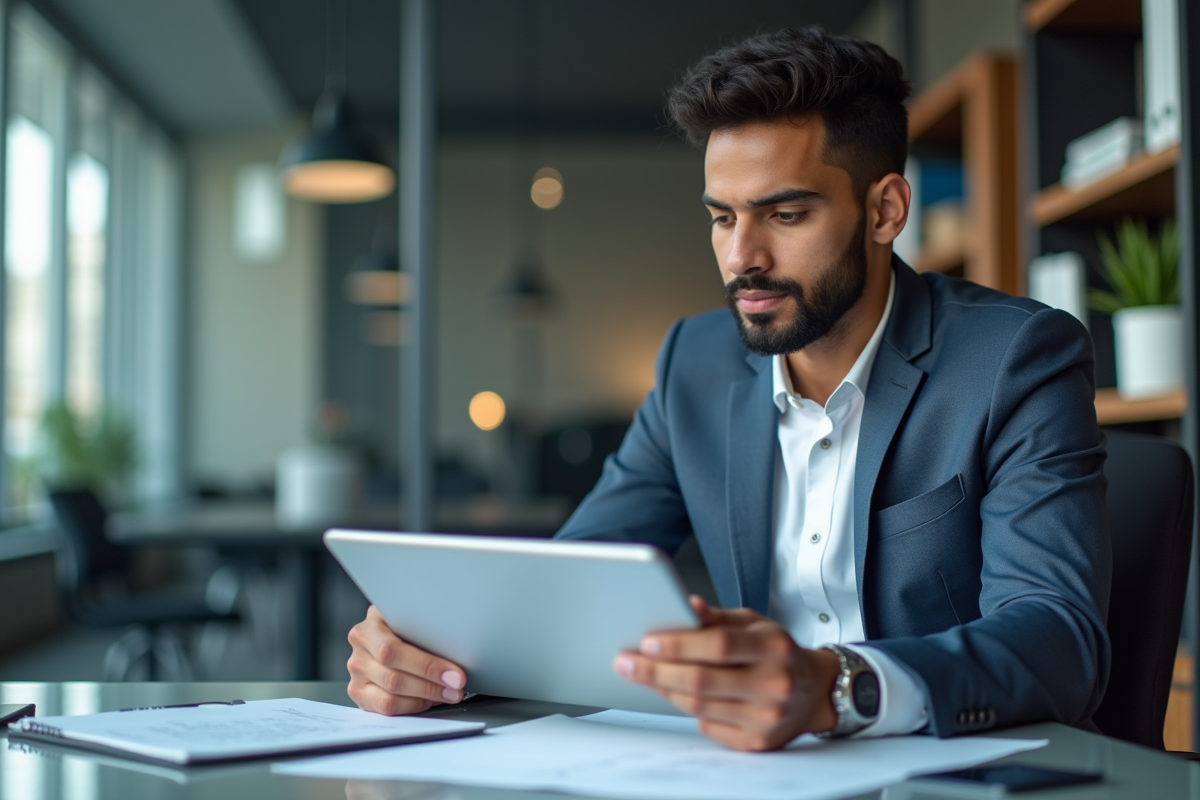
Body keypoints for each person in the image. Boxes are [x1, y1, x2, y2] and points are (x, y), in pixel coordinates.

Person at [346, 27, 1110, 752]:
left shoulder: (1016, 358)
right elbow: (576, 580)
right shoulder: (694, 364)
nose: (742, 256)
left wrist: (836, 688)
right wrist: (436, 658)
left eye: (785, 213)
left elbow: (1057, 634)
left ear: (884, 211)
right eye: (721, 218)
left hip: (953, 772)